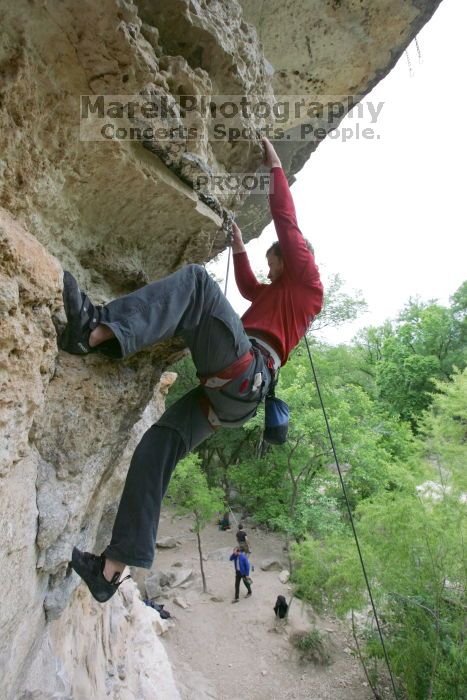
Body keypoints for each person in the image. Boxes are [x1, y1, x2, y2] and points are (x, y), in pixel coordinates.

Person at [60, 137, 324, 603]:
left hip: (247, 374)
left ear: (292, 257)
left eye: (272, 259)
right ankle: (110, 568)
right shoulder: (276, 292)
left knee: (197, 283)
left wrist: (276, 169)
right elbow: (247, 288)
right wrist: (240, 246)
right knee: (155, 447)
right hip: (232, 398)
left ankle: (96, 331)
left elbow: (288, 223)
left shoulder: (307, 283)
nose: (269, 267)